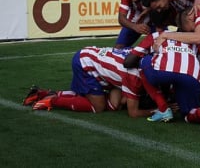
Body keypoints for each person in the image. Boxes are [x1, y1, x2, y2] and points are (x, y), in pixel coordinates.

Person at [123, 30, 200, 137]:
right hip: (191, 76)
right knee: (188, 114)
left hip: (161, 72)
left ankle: (163, 108)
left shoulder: (156, 35)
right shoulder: (194, 39)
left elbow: (128, 62)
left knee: (144, 61)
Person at [23, 46, 154, 118]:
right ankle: (51, 100)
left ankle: (43, 93)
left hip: (88, 56)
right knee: (98, 107)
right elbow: (133, 113)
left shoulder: (139, 52)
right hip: (86, 64)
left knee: (114, 104)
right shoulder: (134, 76)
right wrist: (157, 110)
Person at [115, 0, 184, 49]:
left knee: (162, 47)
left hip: (157, 21)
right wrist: (135, 26)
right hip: (136, 22)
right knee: (118, 48)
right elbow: (121, 19)